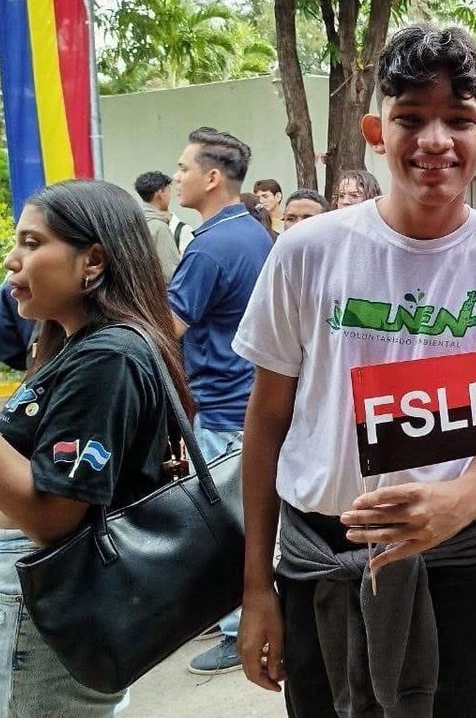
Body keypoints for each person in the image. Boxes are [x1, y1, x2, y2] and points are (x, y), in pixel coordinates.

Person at [234, 24, 476, 716]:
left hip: (455, 564)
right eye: (410, 118)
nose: (434, 140)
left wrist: (466, 497)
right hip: (319, 561)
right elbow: (265, 422)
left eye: (459, 120)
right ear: (375, 129)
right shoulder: (306, 253)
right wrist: (256, 587)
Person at [0, 179, 192, 713]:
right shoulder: (77, 344)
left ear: (93, 261)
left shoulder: (108, 357)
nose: (12, 261)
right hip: (56, 580)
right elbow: (16, 442)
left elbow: (51, 514)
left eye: (32, 244)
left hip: (57, 578)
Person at [170, 127, 274, 674]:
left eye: (184, 168)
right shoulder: (255, 235)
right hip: (251, 400)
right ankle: (229, 612)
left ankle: (238, 627)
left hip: (225, 405)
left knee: (231, 522)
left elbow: (169, 326)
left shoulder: (210, 246)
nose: (176, 178)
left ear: (212, 177)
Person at [134, 170, 186, 280]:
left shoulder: (133, 223)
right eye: (168, 191)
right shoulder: (159, 227)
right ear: (161, 193)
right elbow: (170, 274)